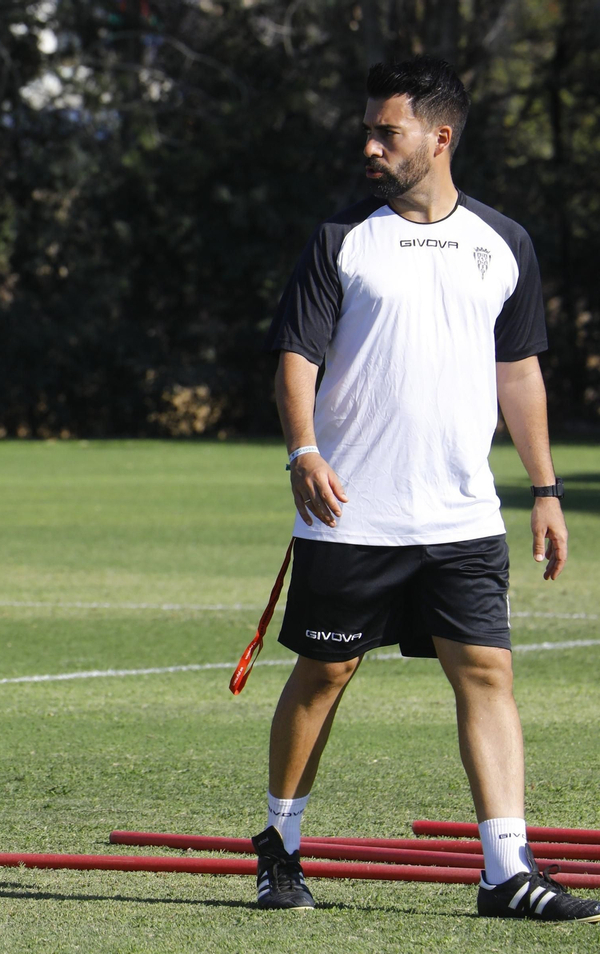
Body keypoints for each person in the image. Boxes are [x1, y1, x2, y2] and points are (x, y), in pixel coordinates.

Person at [253, 55, 599, 922]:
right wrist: (302, 449)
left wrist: (546, 489)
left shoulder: (503, 243)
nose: (369, 143)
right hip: (351, 510)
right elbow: (297, 355)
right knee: (325, 672)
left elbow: (518, 374)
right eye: (368, 127)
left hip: (462, 515)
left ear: (440, 138)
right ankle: (281, 847)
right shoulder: (342, 240)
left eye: (387, 130)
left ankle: (506, 872)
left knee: (487, 673)